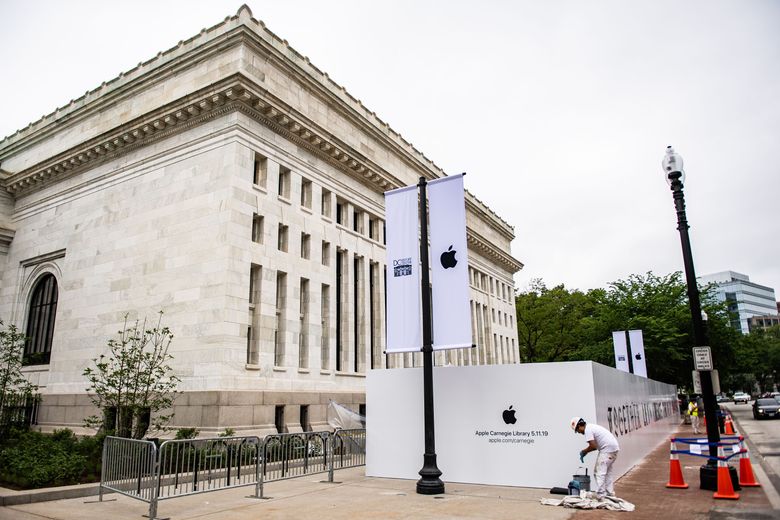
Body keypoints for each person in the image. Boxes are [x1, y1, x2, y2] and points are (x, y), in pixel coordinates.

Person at [571, 416, 620, 500]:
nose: (579, 432)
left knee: (598, 472)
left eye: (577, 430)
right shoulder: (591, 427)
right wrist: (585, 451)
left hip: (607, 449)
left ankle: (601, 496)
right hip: (613, 448)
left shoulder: (587, 430)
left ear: (579, 426)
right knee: (607, 473)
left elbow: (593, 446)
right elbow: (595, 446)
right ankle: (610, 495)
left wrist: (584, 451)